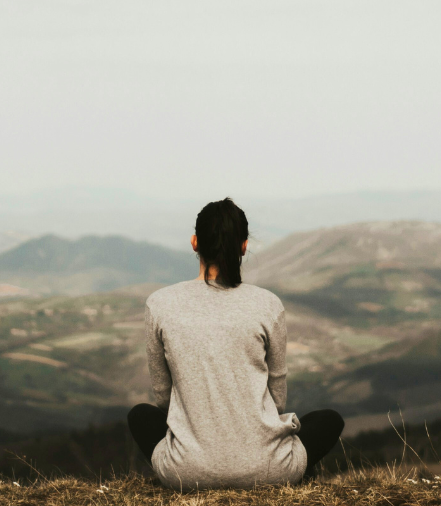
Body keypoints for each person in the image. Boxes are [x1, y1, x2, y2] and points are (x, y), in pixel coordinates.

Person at [127, 198, 344, 490]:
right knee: (328, 420)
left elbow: (163, 397)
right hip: (270, 470)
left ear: (194, 242)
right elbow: (277, 398)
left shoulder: (159, 304)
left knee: (140, 416)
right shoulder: (268, 304)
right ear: (243, 246)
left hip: (186, 473)